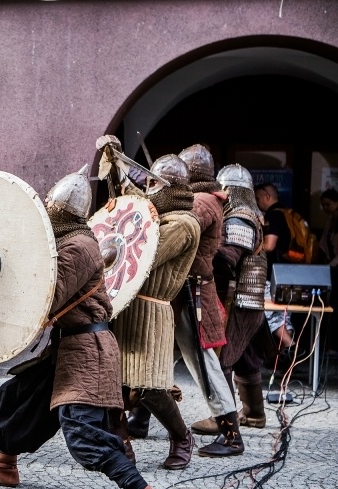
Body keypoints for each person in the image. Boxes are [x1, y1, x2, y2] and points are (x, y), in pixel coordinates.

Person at [0, 167, 172, 489]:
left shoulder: (77, 247)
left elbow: (47, 296)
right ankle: (5, 464)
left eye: (50, 208)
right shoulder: (69, 241)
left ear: (59, 212)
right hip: (67, 346)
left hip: (87, 351)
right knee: (14, 400)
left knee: (83, 433)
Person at [130, 145, 245, 457]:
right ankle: (139, 419)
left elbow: (174, 224)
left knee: (203, 365)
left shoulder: (202, 202)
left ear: (190, 173)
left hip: (193, 296)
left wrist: (146, 196)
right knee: (155, 360)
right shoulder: (200, 199)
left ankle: (232, 436)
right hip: (178, 294)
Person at [100, 136, 200, 471]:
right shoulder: (157, 214)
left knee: (150, 387)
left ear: (172, 186)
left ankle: (182, 437)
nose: (150, 188)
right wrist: (116, 163)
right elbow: (127, 207)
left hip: (152, 310)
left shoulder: (184, 223)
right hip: (126, 306)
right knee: (115, 384)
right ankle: (121, 447)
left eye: (156, 183)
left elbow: (143, 253)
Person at [192, 164, 270, 434]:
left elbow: (227, 258)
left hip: (238, 301)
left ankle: (222, 419)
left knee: (222, 358)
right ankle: (254, 414)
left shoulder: (240, 218)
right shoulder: (249, 215)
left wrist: (201, 260)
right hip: (247, 301)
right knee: (247, 359)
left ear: (231, 191)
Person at [254, 182, 294, 350]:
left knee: (272, 316)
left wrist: (253, 248)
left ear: (267, 196)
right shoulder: (288, 214)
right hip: (290, 274)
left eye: (257, 198)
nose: (256, 202)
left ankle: (291, 348)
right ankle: (288, 355)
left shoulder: (274, 215)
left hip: (274, 276)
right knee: (284, 316)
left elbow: (269, 245)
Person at [319, 189, 338, 353]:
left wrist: (331, 264)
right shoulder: (332, 220)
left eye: (328, 204)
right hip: (331, 266)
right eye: (323, 205)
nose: (326, 208)